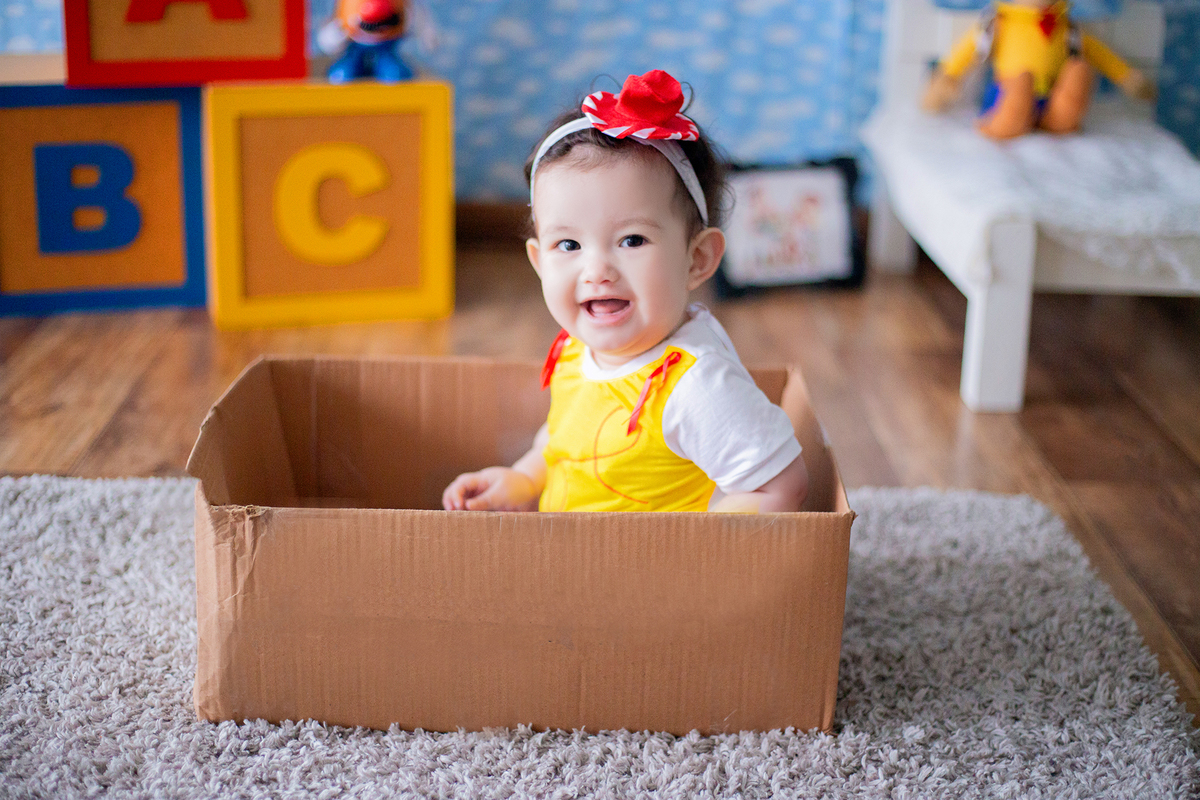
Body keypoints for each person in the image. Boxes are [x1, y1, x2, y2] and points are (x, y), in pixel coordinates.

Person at [443, 69, 808, 513]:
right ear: (539, 262)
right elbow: (561, 440)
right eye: (569, 244)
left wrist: (698, 555)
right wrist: (523, 478)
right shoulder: (577, 347)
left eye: (632, 240)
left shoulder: (694, 386)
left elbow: (780, 487)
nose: (596, 270)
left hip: (648, 577)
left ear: (697, 259)